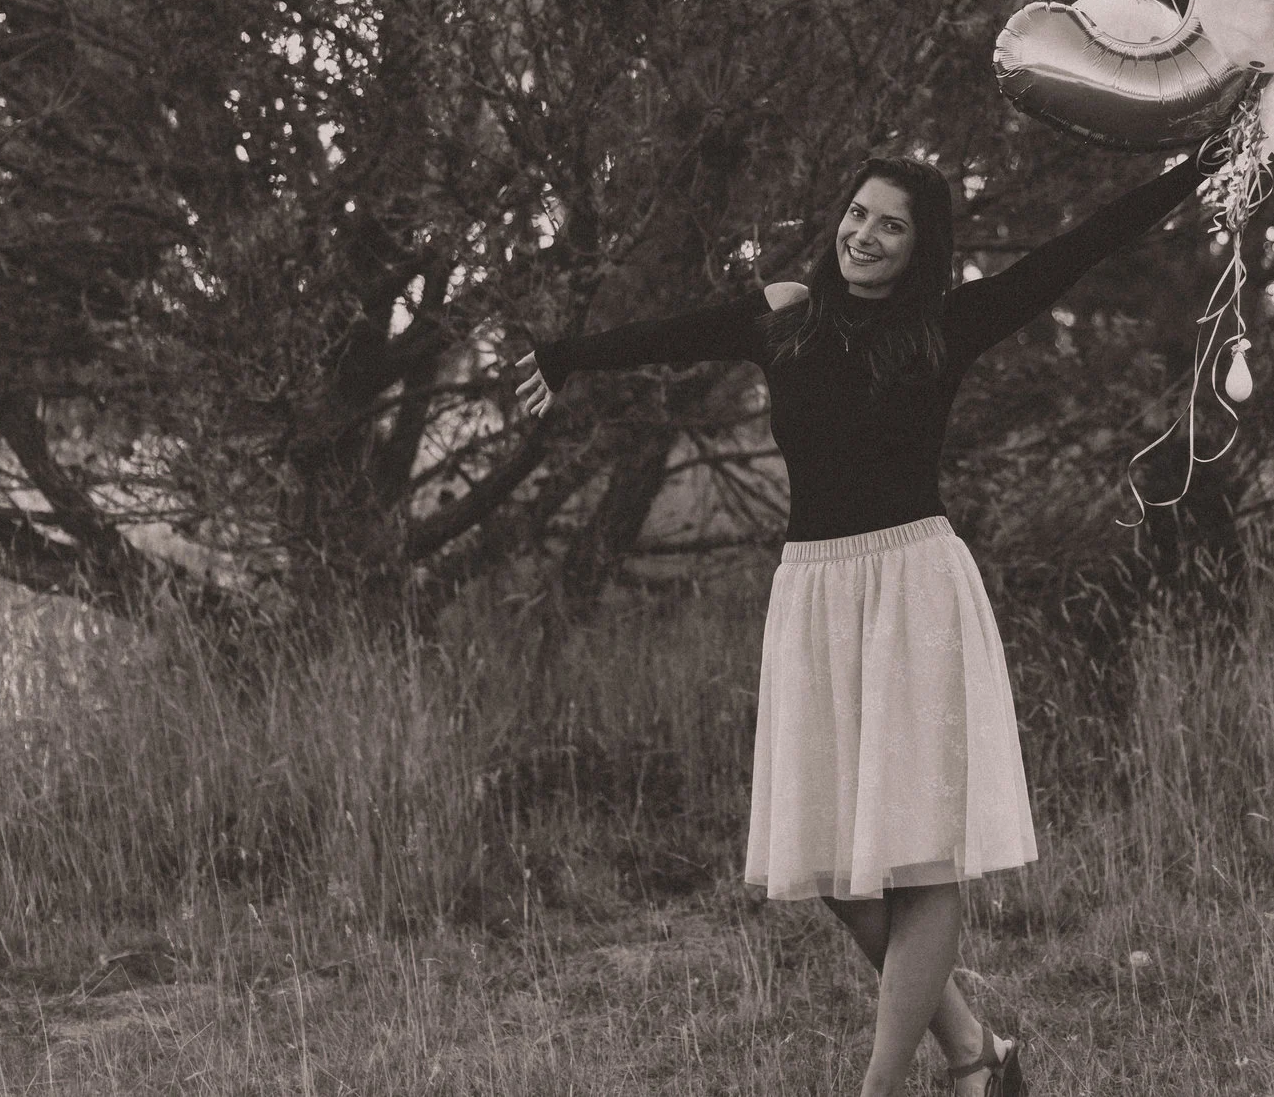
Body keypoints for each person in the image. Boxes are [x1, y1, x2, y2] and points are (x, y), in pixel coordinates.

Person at [505, 134, 1228, 1097]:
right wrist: (563, 356)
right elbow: (668, 333)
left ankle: (887, 1089)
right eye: (857, 214)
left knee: (923, 860)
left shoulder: (953, 322)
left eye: (893, 225)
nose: (867, 235)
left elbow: (1081, 244)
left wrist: (1202, 160)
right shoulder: (783, 320)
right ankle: (975, 1053)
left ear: (921, 245)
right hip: (813, 592)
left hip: (916, 587)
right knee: (842, 874)